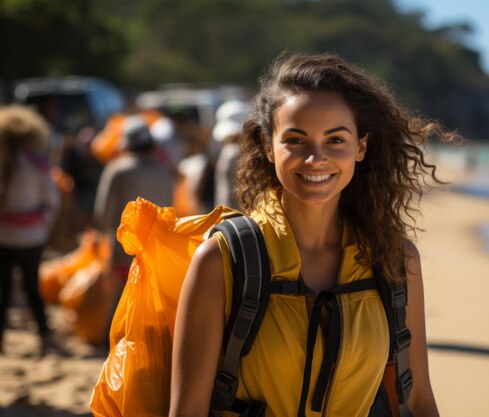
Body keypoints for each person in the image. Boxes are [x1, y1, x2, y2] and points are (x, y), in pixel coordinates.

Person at [169, 53, 453, 417]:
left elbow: (418, 401)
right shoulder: (223, 259)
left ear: (360, 147)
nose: (315, 158)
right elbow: (187, 410)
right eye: (296, 140)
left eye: (335, 140)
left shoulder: (395, 262)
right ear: (269, 146)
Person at [0, 104, 60, 355]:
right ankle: (45, 339)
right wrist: (42, 227)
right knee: (31, 289)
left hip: (0, 235)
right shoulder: (37, 164)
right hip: (31, 237)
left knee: (2, 290)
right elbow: (52, 201)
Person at [93, 115, 175, 344]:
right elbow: (169, 210)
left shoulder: (117, 170)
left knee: (120, 298)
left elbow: (102, 213)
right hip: (156, 248)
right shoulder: (163, 171)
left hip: (123, 249)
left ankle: (113, 342)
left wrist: (102, 237)